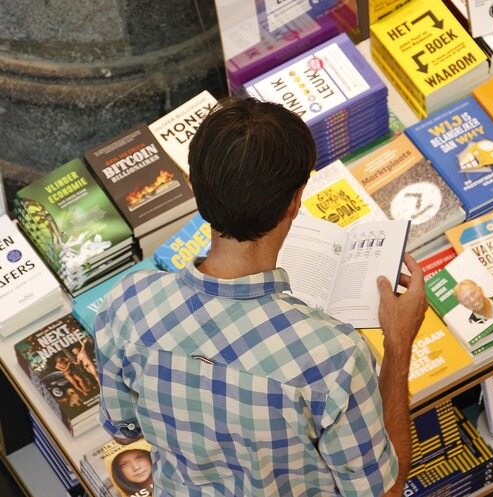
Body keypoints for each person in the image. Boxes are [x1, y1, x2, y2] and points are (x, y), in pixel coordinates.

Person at [95, 96, 427, 497]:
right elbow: (385, 492)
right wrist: (398, 344)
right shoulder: (335, 358)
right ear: (294, 202)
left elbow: (124, 430)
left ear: (196, 188)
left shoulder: (126, 304)